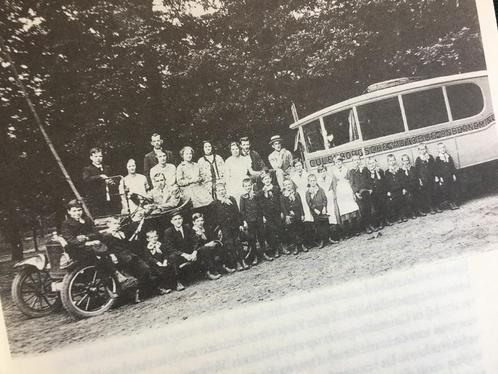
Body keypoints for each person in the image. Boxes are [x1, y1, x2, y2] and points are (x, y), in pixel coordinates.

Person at [60, 199, 121, 295]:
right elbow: (70, 240)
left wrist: (87, 237)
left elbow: (96, 234)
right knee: (100, 254)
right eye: (74, 211)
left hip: (90, 244)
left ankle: (114, 272)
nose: (77, 213)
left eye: (79, 210)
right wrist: (86, 242)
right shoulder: (66, 224)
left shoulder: (87, 220)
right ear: (69, 212)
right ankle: (109, 281)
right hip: (77, 249)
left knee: (107, 240)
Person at [102, 217, 155, 303]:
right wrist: (112, 256)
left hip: (129, 255)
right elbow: (107, 249)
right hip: (119, 258)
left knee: (145, 269)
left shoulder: (121, 233)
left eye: (118, 224)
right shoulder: (107, 236)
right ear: (109, 225)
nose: (117, 226)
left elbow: (127, 245)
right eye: (114, 224)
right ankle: (133, 296)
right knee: (131, 275)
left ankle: (142, 292)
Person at [208, 183, 249, 271]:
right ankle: (237, 263)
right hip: (224, 228)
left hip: (234, 226)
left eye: (222, 190)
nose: (221, 192)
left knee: (238, 243)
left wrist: (240, 224)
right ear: (216, 192)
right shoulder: (214, 204)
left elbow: (237, 213)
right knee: (230, 245)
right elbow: (213, 219)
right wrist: (219, 229)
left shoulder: (231, 199)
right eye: (219, 190)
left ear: (225, 190)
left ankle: (243, 260)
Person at [239, 178, 274, 265]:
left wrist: (263, 217)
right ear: (243, 187)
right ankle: (255, 257)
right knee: (252, 239)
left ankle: (264, 253)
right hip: (250, 221)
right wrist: (244, 221)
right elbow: (242, 210)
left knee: (261, 236)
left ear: (252, 185)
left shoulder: (256, 194)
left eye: (249, 185)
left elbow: (261, 206)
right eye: (246, 186)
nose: (248, 187)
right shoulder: (243, 197)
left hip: (258, 219)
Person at [191, 212, 230, 278]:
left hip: (207, 248)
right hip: (197, 251)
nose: (200, 222)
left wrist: (213, 241)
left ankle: (223, 266)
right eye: (198, 221)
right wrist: (207, 244)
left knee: (218, 244)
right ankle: (210, 272)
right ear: (194, 222)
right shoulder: (192, 231)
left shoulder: (204, 229)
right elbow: (195, 245)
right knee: (205, 249)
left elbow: (211, 238)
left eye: (201, 220)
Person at [82, 147, 118, 217]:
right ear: (91, 157)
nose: (98, 158)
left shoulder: (107, 168)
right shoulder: (87, 169)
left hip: (109, 199)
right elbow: (86, 180)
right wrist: (100, 176)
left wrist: (112, 181)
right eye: (95, 156)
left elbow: (115, 179)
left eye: (100, 156)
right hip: (96, 201)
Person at [260, 171, 287, 257]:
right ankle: (276, 249)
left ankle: (284, 247)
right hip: (268, 215)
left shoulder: (276, 188)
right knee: (272, 232)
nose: (267, 180)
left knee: (280, 229)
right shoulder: (261, 192)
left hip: (277, 213)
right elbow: (261, 205)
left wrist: (282, 212)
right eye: (265, 179)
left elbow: (280, 201)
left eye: (268, 178)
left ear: (271, 179)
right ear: (262, 181)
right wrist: (264, 216)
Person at [176, 146, 213, 210]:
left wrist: (201, 178)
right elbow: (179, 182)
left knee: (209, 202)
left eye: (190, 154)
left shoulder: (196, 165)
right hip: (188, 189)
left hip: (199, 187)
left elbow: (203, 176)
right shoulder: (180, 167)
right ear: (182, 155)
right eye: (186, 154)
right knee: (197, 203)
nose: (189, 156)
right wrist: (191, 181)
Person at [290, 159, 315, 247]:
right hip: (299, 197)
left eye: (300, 165)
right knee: (304, 216)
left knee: (311, 214)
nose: (299, 167)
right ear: (294, 168)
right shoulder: (293, 177)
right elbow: (293, 189)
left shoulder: (307, 174)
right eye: (296, 166)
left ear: (302, 165)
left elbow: (310, 185)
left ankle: (314, 239)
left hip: (307, 195)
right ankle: (307, 241)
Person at [333, 155, 360, 236]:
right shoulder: (334, 172)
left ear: (342, 162)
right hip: (340, 192)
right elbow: (334, 184)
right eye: (336, 162)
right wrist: (335, 195)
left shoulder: (346, 170)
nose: (338, 163)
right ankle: (348, 232)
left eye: (340, 161)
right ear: (335, 163)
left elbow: (351, 181)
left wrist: (352, 192)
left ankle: (355, 230)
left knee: (351, 208)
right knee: (344, 211)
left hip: (347, 190)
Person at [280, 178, 306, 254]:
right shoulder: (283, 196)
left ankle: (303, 245)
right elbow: (283, 207)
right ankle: (296, 247)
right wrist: (287, 215)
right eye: (286, 185)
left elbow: (300, 205)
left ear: (291, 185)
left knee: (300, 230)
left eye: (289, 184)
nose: (288, 186)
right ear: (284, 186)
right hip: (290, 216)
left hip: (297, 214)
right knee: (292, 231)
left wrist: (302, 214)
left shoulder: (296, 194)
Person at [415, 143, 441, 214]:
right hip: (425, 179)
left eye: (423, 149)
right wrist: (420, 180)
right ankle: (431, 208)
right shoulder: (418, 159)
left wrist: (436, 176)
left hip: (432, 178)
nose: (422, 151)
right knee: (428, 194)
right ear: (419, 151)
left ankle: (436, 206)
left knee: (435, 192)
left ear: (426, 149)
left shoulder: (430, 157)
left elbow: (434, 167)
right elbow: (417, 171)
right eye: (420, 149)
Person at [306, 174, 330, 248]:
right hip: (315, 210)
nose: (313, 182)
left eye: (314, 180)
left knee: (326, 223)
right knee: (319, 225)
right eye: (311, 181)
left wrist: (324, 207)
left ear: (316, 181)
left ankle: (328, 238)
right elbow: (309, 202)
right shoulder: (308, 192)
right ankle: (322, 241)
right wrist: (314, 209)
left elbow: (325, 199)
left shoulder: (320, 189)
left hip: (322, 208)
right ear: (309, 182)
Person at [224, 141, 252, 207]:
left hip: (244, 182)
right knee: (237, 200)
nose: (235, 151)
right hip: (233, 183)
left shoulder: (245, 159)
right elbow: (227, 177)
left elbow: (251, 171)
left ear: (239, 149)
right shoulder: (228, 161)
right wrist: (228, 188)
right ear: (230, 151)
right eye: (233, 149)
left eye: (236, 149)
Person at [316, 165, 339, 242]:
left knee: (333, 215)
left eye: (323, 171)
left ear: (326, 171)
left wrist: (334, 196)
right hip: (323, 200)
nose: (322, 173)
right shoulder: (318, 181)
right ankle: (329, 237)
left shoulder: (330, 178)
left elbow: (334, 188)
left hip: (330, 198)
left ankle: (336, 235)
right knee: (326, 216)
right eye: (320, 171)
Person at [435, 142, 459, 210]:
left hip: (450, 175)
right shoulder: (438, 158)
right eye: (440, 148)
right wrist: (440, 177)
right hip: (444, 177)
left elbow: (452, 166)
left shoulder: (448, 156)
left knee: (452, 189)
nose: (442, 149)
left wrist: (454, 174)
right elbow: (438, 169)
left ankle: (454, 202)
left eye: (443, 147)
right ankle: (450, 203)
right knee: (447, 190)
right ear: (438, 150)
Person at [366, 158, 390, 229]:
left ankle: (386, 220)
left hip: (382, 192)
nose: (372, 164)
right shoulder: (368, 173)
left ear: (376, 163)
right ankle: (381, 222)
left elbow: (384, 182)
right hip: (374, 194)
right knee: (377, 208)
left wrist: (387, 191)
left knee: (384, 206)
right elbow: (368, 183)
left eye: (373, 163)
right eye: (370, 163)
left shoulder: (380, 171)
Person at [400, 154, 425, 218]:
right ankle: (412, 213)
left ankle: (419, 211)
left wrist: (419, 181)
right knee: (410, 199)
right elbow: (402, 180)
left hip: (415, 186)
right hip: (407, 187)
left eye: (407, 160)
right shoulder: (401, 170)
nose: (406, 162)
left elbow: (416, 176)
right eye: (404, 161)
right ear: (402, 161)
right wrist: (404, 188)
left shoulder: (412, 168)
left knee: (417, 198)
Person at [384, 154, 408, 223]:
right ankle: (398, 217)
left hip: (400, 189)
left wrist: (404, 188)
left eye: (393, 160)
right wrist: (388, 191)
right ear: (388, 162)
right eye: (390, 161)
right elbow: (386, 183)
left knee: (402, 202)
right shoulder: (387, 172)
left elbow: (403, 180)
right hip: (393, 191)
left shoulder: (399, 170)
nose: (392, 162)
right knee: (395, 203)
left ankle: (403, 215)